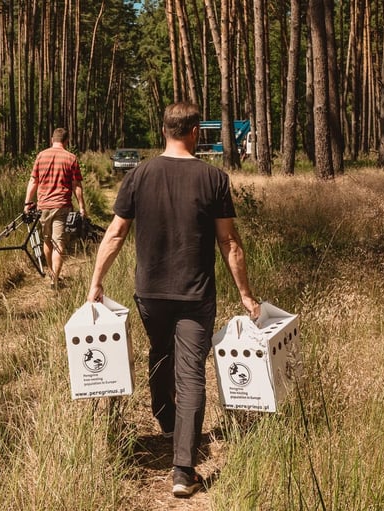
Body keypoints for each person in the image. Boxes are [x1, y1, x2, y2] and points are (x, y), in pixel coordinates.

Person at [86, 102, 260, 498]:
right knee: (191, 373)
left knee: (160, 352)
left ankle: (165, 418)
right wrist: (246, 295)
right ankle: (183, 470)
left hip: (150, 292)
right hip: (195, 294)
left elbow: (114, 234)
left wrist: (96, 282)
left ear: (164, 130)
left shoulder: (139, 175)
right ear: (196, 132)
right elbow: (229, 241)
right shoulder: (214, 179)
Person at [24, 128, 87, 289]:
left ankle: (52, 273)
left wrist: (27, 203)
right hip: (62, 206)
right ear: (66, 141)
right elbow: (76, 185)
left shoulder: (41, 156)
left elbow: (33, 181)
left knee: (47, 240)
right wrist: (81, 207)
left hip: (43, 205)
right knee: (58, 242)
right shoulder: (71, 158)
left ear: (52, 139)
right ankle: (55, 279)